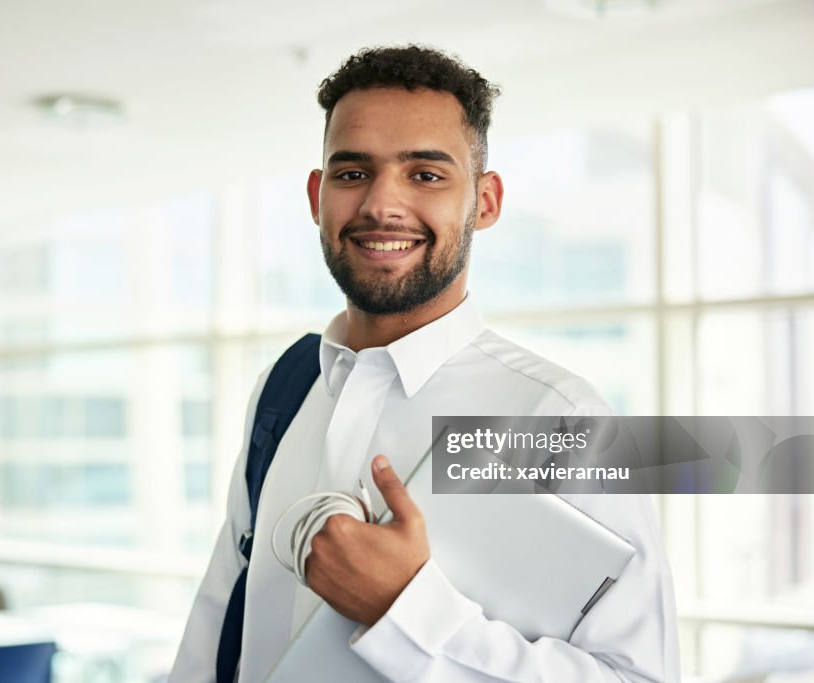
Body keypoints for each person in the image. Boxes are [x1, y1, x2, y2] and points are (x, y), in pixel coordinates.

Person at [169, 45, 679, 682]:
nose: (382, 204)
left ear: (485, 202)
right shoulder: (286, 386)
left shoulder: (558, 417)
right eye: (353, 173)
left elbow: (637, 676)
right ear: (316, 194)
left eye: (426, 175)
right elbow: (222, 613)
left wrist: (403, 612)